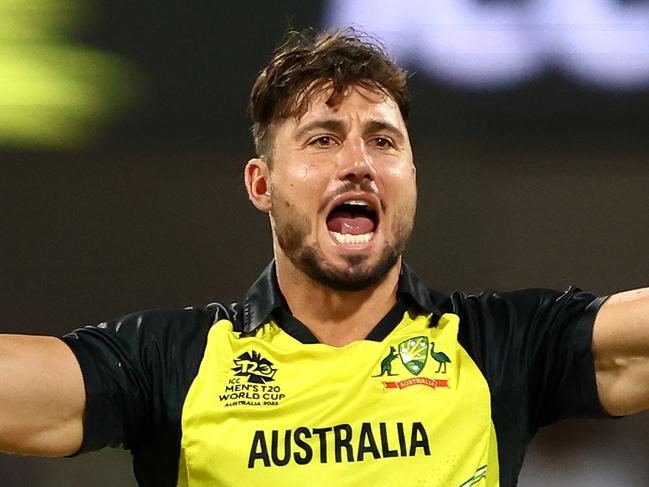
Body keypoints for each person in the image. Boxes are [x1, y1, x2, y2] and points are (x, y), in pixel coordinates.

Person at [1, 27, 648, 487]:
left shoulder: (498, 345)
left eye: (382, 141)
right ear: (261, 184)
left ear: (410, 180)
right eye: (322, 139)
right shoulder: (174, 362)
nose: (358, 163)